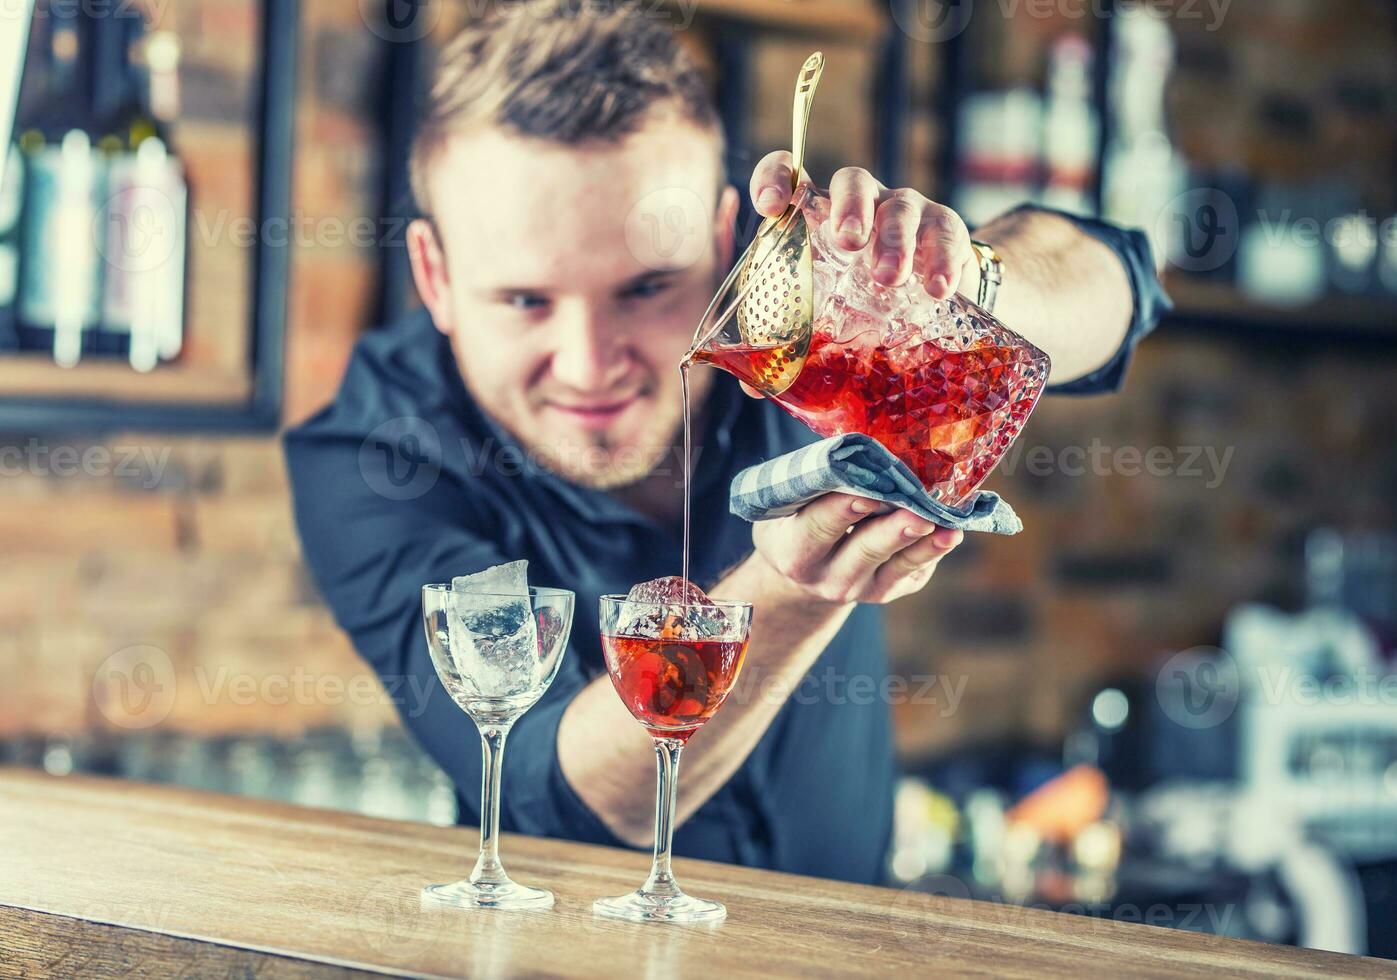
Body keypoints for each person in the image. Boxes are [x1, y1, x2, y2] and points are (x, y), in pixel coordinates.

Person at [286, 2, 1166, 885]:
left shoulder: (799, 305)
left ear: (719, 240)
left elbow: (1120, 284)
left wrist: (967, 282)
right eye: (525, 301)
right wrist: (793, 586)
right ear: (435, 277)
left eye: (647, 289)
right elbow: (558, 791)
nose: (591, 365)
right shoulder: (377, 454)